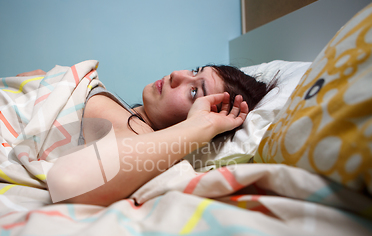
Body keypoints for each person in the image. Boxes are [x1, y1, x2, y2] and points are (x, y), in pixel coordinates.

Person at [18, 65, 275, 206]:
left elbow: (69, 179)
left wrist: (202, 125)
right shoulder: (127, 114)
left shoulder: (137, 130)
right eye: (195, 70)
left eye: (194, 92)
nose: (178, 75)